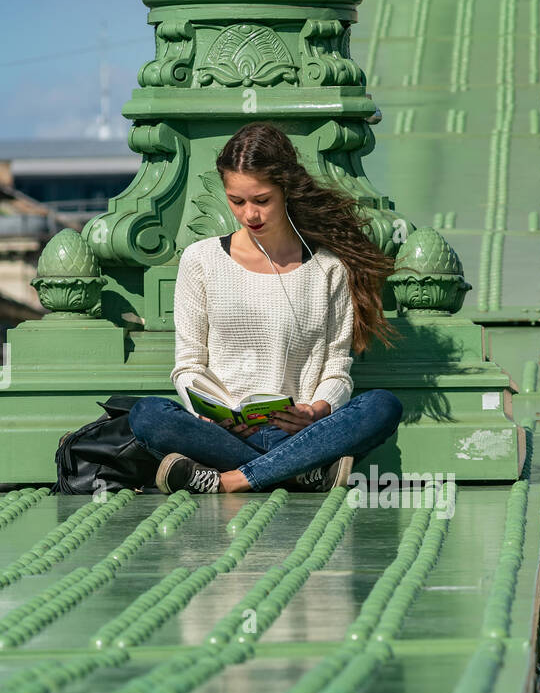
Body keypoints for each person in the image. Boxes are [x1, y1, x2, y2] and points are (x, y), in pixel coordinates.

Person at [129, 123, 404, 495]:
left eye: (261, 200)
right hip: (221, 429)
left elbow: (337, 369)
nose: (249, 214)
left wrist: (316, 411)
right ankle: (297, 470)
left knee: (382, 406)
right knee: (148, 415)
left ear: (286, 190)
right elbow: (189, 364)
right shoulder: (201, 260)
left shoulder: (328, 269)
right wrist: (216, 414)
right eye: (237, 201)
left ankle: (232, 480)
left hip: (300, 427)